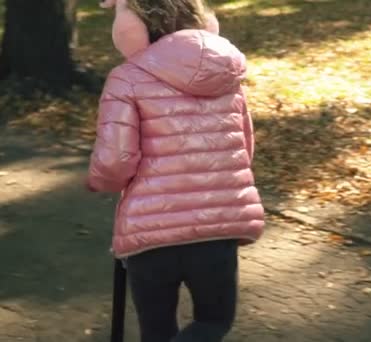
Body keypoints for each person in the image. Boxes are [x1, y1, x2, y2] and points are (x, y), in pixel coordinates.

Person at [87, 1, 264, 341]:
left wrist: (101, 181)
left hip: (150, 231)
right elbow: (244, 146)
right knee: (213, 322)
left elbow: (114, 161)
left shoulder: (127, 78)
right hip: (217, 229)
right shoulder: (227, 74)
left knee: (156, 331)